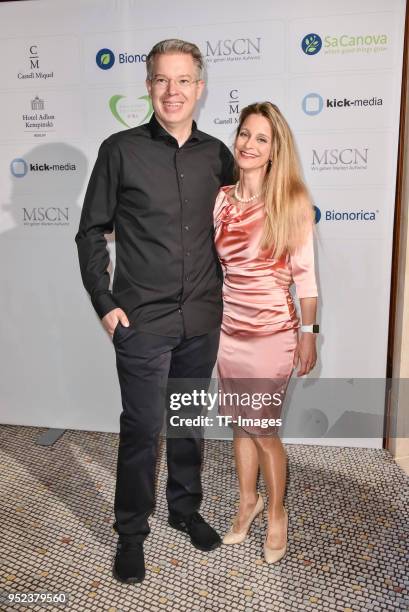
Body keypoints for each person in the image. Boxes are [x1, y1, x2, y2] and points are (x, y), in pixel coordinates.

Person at [75, 39, 237, 584]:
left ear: (200, 86)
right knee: (142, 428)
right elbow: (91, 231)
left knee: (188, 421)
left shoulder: (218, 155)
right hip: (142, 320)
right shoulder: (119, 149)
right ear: (148, 87)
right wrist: (105, 304)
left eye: (184, 80)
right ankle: (131, 532)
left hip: (201, 317)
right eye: (162, 80)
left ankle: (185, 509)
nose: (174, 91)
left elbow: (245, 222)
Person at [214, 102, 318, 564]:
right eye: (244, 134)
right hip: (229, 331)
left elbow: (306, 279)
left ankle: (277, 512)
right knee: (240, 424)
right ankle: (246, 502)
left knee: (264, 430)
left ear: (275, 150)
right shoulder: (220, 198)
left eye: (261, 138)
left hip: (274, 332)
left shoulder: (291, 201)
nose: (249, 145)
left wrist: (310, 332)